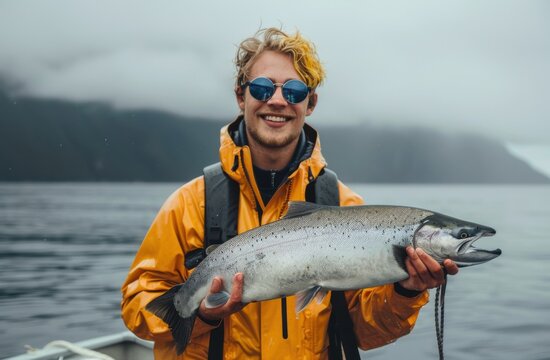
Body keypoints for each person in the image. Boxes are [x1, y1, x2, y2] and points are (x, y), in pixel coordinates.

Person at [120, 27, 459, 359]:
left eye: (295, 91)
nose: (278, 100)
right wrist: (204, 315)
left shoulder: (347, 208)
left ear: (310, 103)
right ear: (242, 96)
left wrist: (406, 290)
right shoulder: (189, 205)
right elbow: (139, 309)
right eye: (263, 88)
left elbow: (368, 332)